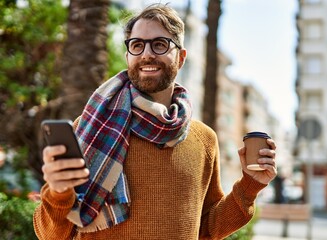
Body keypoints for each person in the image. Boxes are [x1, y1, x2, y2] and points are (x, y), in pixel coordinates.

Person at [33, 3, 277, 240]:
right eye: (136, 45)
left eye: (159, 45)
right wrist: (58, 192)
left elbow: (208, 229)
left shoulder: (203, 139)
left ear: (181, 58)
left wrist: (250, 184)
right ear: (128, 55)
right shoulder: (90, 128)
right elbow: (51, 235)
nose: (147, 54)